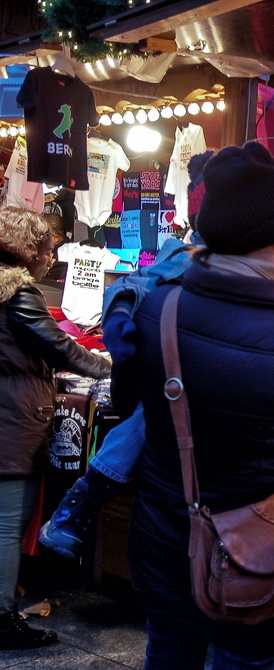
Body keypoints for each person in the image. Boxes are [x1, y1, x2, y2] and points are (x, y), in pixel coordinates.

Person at [111, 142, 274, 669]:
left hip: (165, 540)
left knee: (168, 654)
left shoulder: (160, 308)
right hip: (256, 557)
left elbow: (126, 401)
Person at [38, 150, 215, 560]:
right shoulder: (187, 257)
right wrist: (119, 312)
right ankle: (80, 503)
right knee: (150, 419)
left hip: (188, 393)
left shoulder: (237, 267)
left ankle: (79, 503)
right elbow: (133, 284)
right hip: (174, 391)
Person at [0, 206, 111, 650]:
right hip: (11, 419)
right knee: (8, 524)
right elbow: (59, 346)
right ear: (29, 250)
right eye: (47, 251)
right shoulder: (17, 292)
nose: (51, 260)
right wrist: (108, 366)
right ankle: (2, 619)